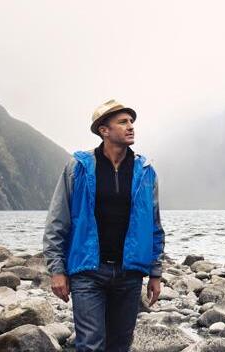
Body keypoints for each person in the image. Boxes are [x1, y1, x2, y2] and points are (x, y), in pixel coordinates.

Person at [43, 99, 165, 352]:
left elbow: (153, 225)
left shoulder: (145, 170)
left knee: (120, 345)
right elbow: (58, 220)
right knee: (90, 344)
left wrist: (155, 272)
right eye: (122, 122)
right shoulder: (78, 167)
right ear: (104, 130)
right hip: (88, 271)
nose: (131, 126)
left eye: (131, 121)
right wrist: (57, 270)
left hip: (129, 272)